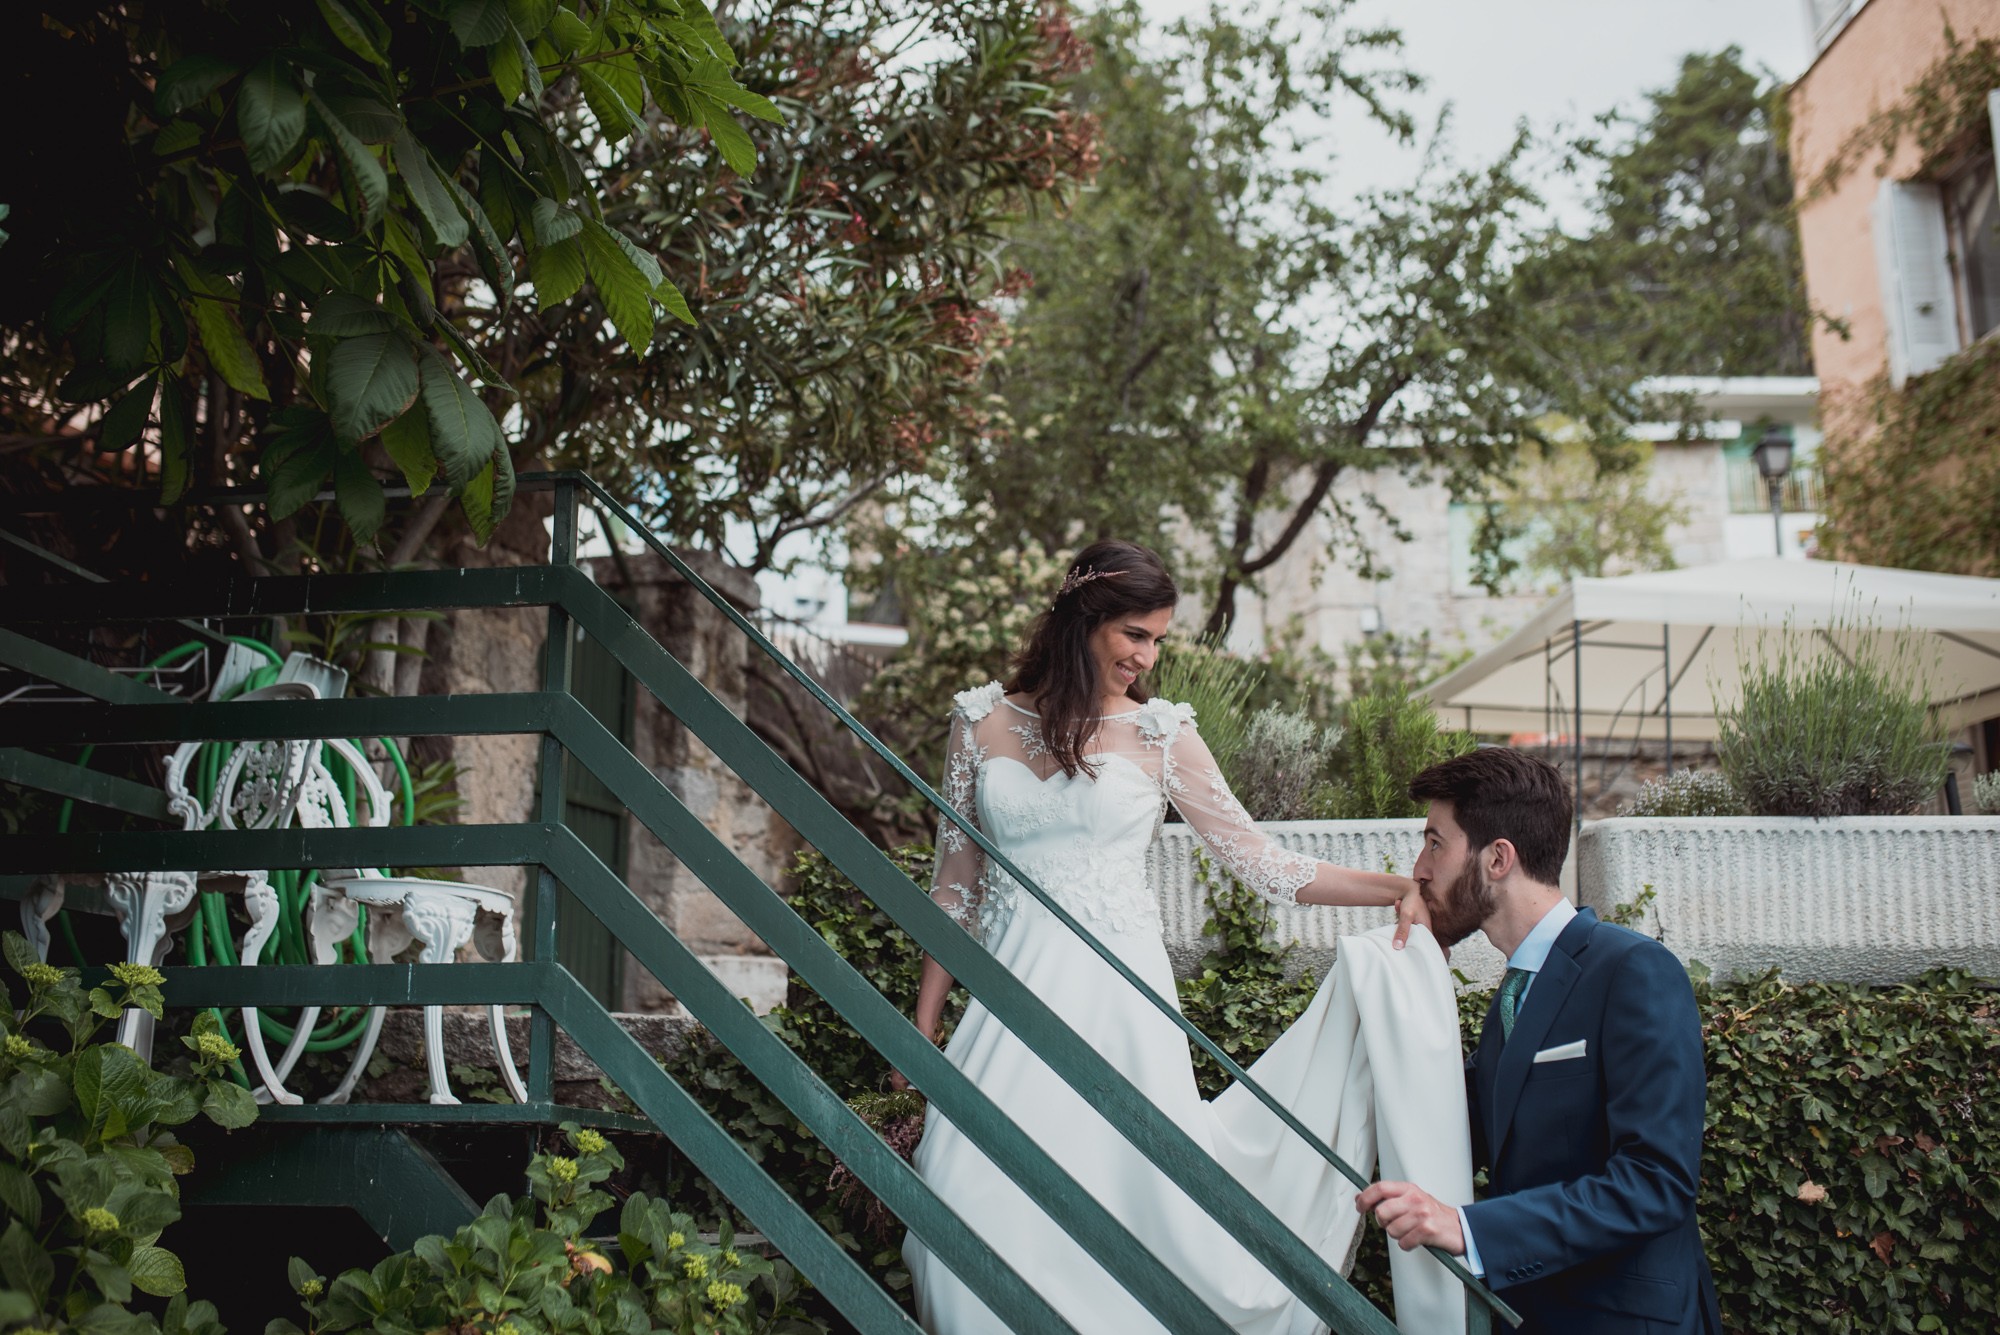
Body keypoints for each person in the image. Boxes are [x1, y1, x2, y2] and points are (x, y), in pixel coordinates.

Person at [899, 539, 1464, 1335]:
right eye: (1135, 632)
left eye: (1159, 637)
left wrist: (1396, 887)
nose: (1148, 654)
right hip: (1008, 1001)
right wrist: (922, 1026)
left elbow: (1262, 861)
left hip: (1122, 1010)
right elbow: (955, 886)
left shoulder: (1162, 733)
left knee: (1133, 1212)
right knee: (960, 1195)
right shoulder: (980, 722)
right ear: (1084, 619)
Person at [1357, 748, 1722, 1334]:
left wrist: (1470, 1229)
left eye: (1435, 844)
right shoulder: (1514, 988)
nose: (1420, 870)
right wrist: (1404, 984)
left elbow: (1657, 1181)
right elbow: (1451, 1118)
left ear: (1498, 858)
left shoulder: (1634, 970)